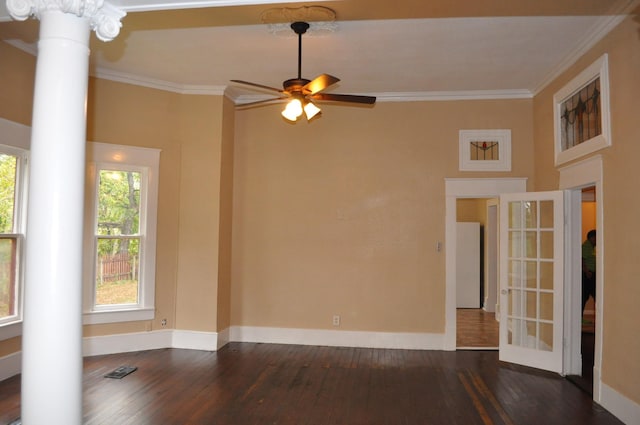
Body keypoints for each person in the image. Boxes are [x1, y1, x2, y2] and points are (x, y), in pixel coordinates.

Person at [581, 229, 596, 317]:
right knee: (584, 297)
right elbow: (582, 259)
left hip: (591, 274)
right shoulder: (586, 246)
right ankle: (579, 319)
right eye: (595, 238)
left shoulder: (591, 247)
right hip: (588, 275)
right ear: (591, 238)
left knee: (591, 295)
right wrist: (586, 271)